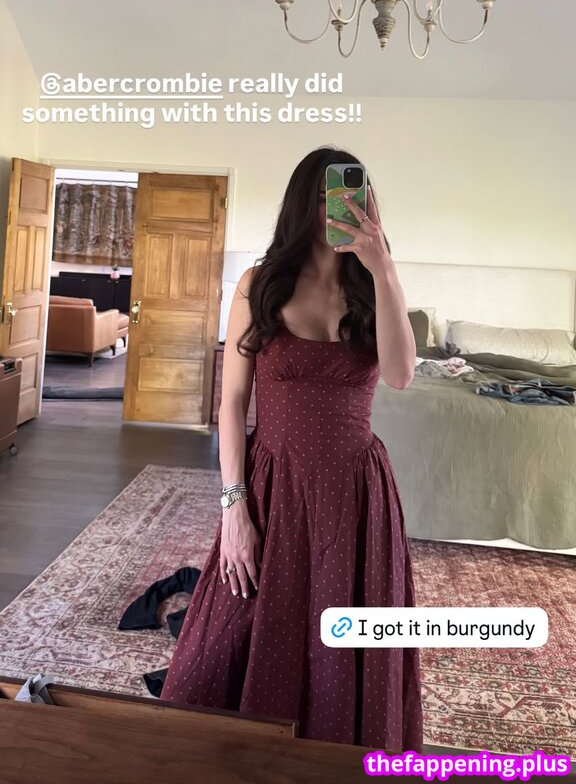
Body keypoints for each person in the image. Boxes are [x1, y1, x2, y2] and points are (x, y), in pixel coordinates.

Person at [160, 146, 424, 752]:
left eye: (357, 195)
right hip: (270, 488)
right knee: (217, 649)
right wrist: (233, 508)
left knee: (343, 649)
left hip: (357, 497)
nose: (346, 208)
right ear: (309, 203)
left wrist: (384, 268)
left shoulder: (373, 286)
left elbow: (402, 374)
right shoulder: (259, 285)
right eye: (334, 196)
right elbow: (231, 404)